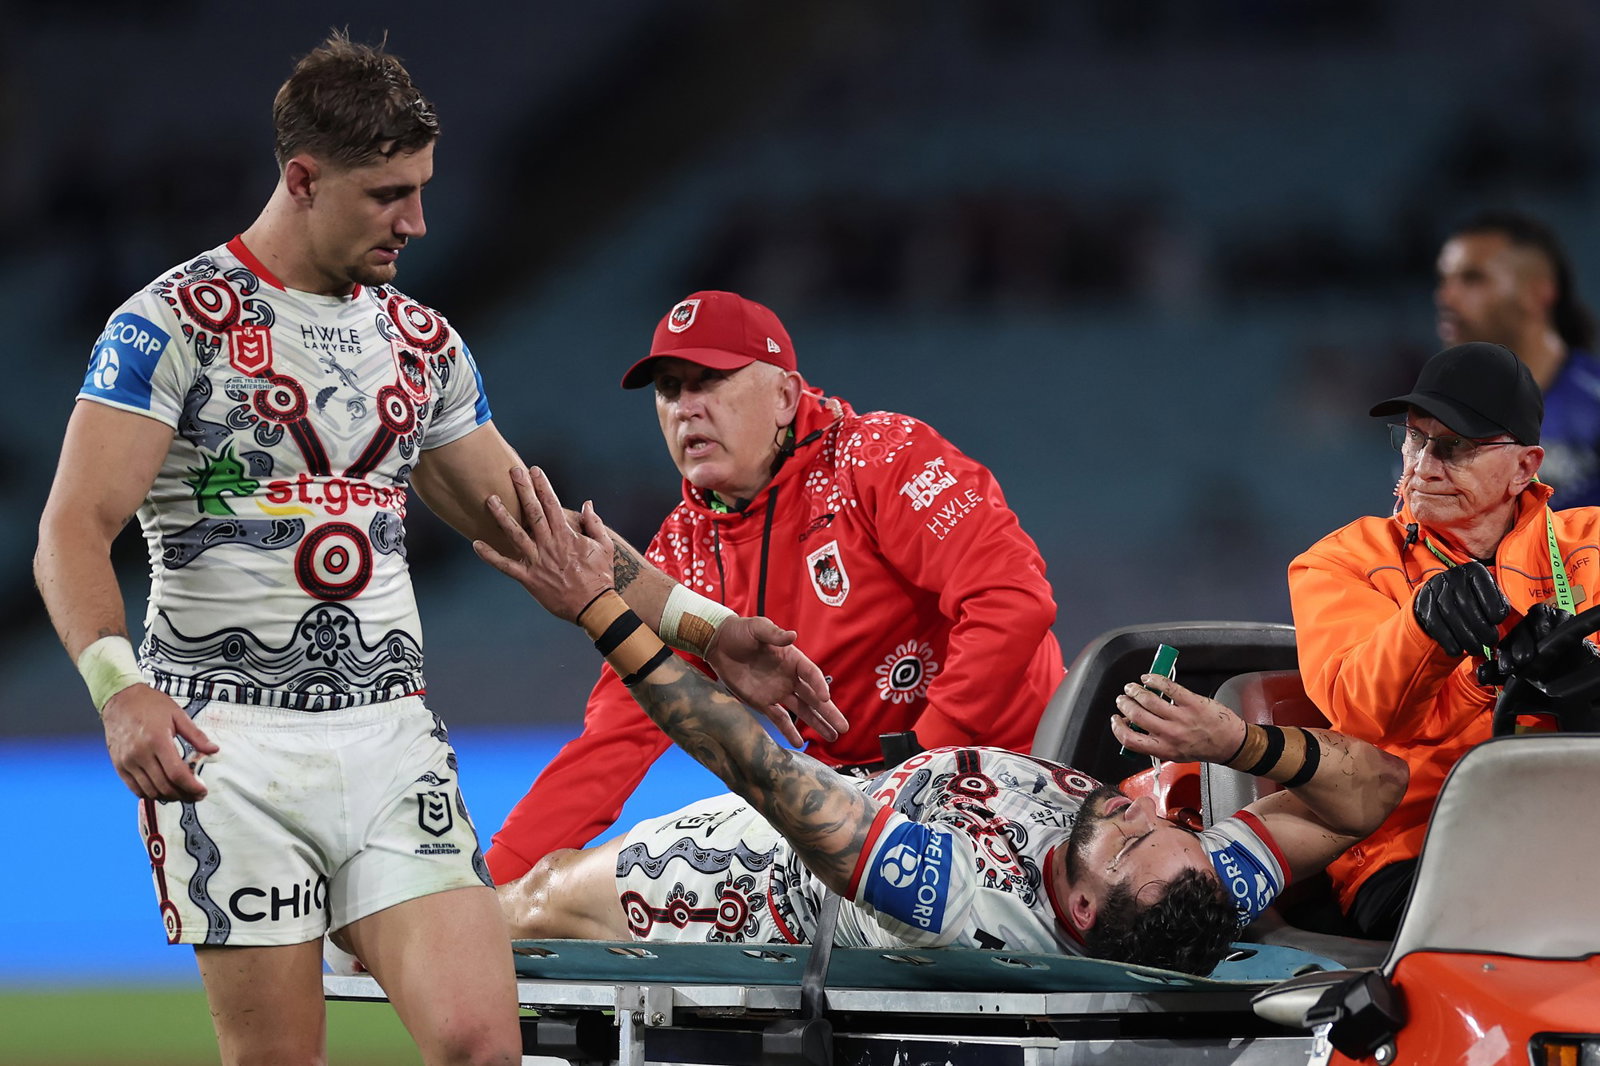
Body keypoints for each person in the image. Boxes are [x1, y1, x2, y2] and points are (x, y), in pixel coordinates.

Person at [32, 35, 838, 1066]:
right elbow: (70, 527)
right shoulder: (168, 325)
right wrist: (118, 688)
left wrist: (711, 631)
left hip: (388, 745)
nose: (416, 220)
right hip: (229, 751)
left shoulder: (420, 344)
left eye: (421, 190)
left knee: (478, 1042)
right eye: (388, 195)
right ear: (302, 179)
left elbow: (543, 529)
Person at [477, 465, 1408, 976]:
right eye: (1169, 828)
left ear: (1078, 911)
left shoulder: (958, 896)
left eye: (1127, 846)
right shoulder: (1191, 886)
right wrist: (1242, 745)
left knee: (531, 906)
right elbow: (1372, 795)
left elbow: (755, 768)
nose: (1138, 814)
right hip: (885, 793)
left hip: (757, 878)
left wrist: (603, 612)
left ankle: (414, 940)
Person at [487, 290, 1066, 883]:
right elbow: (614, 743)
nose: (686, 407)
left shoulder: (880, 457)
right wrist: (487, 886)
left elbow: (1012, 602)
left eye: (709, 381)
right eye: (669, 389)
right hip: (859, 819)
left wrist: (918, 766)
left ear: (786, 396)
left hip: (1014, 780)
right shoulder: (680, 552)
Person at [1289, 340, 1600, 940]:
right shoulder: (1341, 562)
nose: (1424, 464)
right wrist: (1423, 629)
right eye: (1414, 439)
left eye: (1454, 446)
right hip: (1418, 848)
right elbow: (1358, 709)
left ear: (1525, 467)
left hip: (1577, 825)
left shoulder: (1590, 546)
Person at [1435, 209, 1600, 505]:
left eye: (1472, 279)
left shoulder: (1593, 400)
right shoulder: (1439, 420)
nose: (1445, 297)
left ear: (1538, 292)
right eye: (1444, 280)